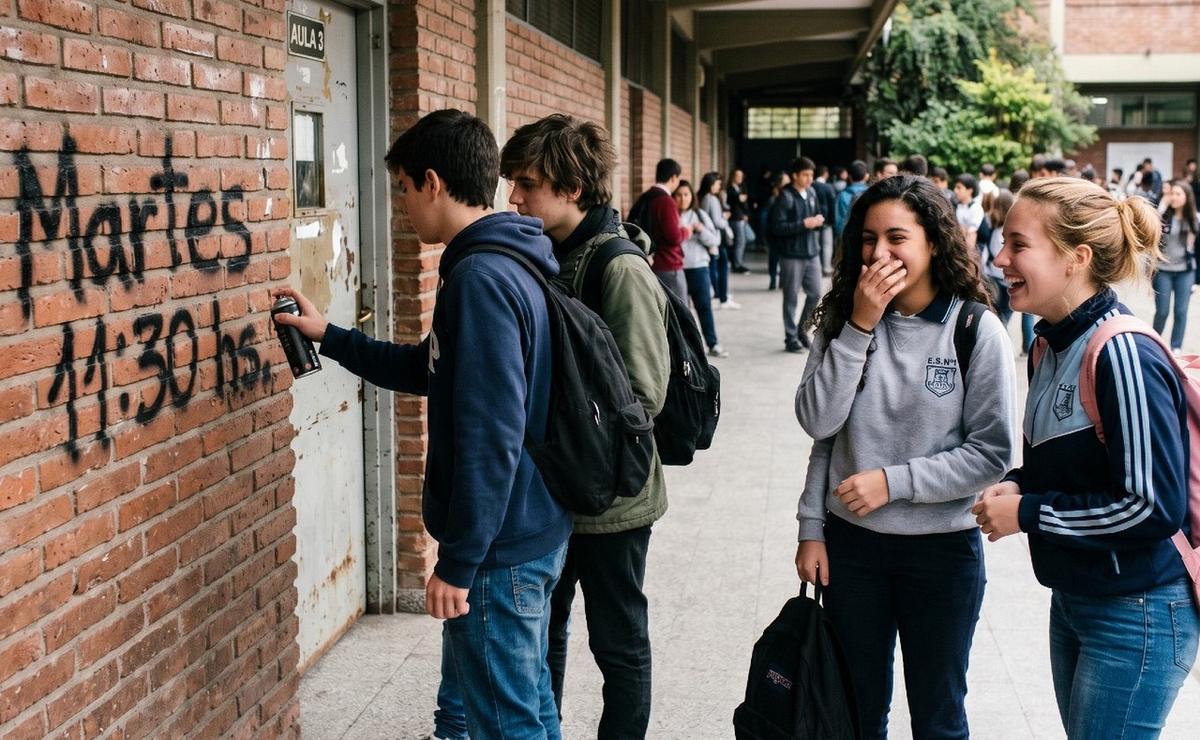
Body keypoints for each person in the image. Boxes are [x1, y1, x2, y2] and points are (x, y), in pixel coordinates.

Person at [274, 109, 572, 740]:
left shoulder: (481, 279)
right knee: (531, 705)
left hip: (500, 546)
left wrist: (459, 562)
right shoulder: (504, 260)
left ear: (432, 182)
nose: (403, 206)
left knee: (506, 720)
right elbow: (430, 369)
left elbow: (492, 435)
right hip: (530, 526)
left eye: (404, 189)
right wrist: (327, 334)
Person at [973, 176, 1198, 738]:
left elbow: (1152, 507)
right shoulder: (1048, 343)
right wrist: (1021, 484)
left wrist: (1028, 514)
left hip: (1139, 610)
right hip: (1078, 597)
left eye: (1018, 245)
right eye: (1003, 243)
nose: (1000, 259)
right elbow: (1074, 463)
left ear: (1077, 258)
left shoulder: (1121, 352)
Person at [795, 175, 1016, 739]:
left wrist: (894, 482)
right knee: (858, 712)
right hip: (853, 547)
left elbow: (993, 452)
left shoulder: (974, 329)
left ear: (934, 242)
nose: (879, 254)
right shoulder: (843, 319)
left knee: (938, 716)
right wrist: (811, 529)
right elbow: (821, 426)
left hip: (942, 553)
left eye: (897, 238)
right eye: (868, 239)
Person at [500, 113, 671, 739]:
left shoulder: (618, 268)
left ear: (573, 187)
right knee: (546, 630)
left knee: (618, 642)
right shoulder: (544, 256)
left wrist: (556, 413)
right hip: (557, 492)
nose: (514, 197)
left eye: (528, 183)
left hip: (613, 500)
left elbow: (644, 394)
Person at [770, 157, 825, 352]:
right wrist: (803, 224)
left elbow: (818, 213)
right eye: (805, 175)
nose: (810, 178)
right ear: (795, 175)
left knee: (816, 293)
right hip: (792, 255)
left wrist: (818, 220)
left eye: (811, 174)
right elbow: (777, 227)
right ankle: (790, 337)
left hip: (812, 253)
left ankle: (803, 330)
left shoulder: (811, 192)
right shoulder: (785, 197)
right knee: (791, 297)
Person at [675, 180, 727, 356]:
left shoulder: (700, 214)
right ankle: (687, 349)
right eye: (679, 195)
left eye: (686, 194)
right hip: (677, 269)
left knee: (704, 306)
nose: (683, 199)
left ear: (692, 196)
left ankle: (713, 343)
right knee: (681, 311)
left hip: (698, 267)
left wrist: (700, 230)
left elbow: (715, 240)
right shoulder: (671, 215)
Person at [628, 158, 690, 302]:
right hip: (668, 264)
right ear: (674, 177)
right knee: (680, 316)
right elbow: (674, 237)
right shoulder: (666, 201)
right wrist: (687, 230)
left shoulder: (645, 197)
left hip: (650, 262)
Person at [1152, 179, 1198, 353]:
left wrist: (1197, 279)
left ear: (1187, 197)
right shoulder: (1164, 215)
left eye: (1178, 194)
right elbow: (1152, 227)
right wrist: (1162, 205)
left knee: (1181, 311)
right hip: (1164, 270)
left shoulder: (1194, 218)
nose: (1174, 197)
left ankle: (1175, 347)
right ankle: (1155, 342)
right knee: (1162, 311)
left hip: (1185, 271)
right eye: (1172, 193)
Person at [699, 171, 739, 310]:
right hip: (716, 237)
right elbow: (717, 221)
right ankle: (723, 298)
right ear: (711, 184)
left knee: (715, 267)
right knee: (722, 267)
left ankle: (720, 295)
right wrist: (725, 220)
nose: (719, 186)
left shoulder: (703, 197)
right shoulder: (712, 199)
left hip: (709, 237)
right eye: (718, 184)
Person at [980, 189, 1016, 327]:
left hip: (995, 278)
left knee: (1000, 318)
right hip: (1006, 279)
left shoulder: (996, 229)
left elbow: (991, 254)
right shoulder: (1008, 230)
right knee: (1004, 317)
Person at [765, 171, 790, 290]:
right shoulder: (773, 198)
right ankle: (773, 279)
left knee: (783, 258)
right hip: (774, 233)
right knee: (774, 257)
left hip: (785, 233)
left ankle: (782, 280)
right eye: (786, 180)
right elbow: (767, 219)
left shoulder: (788, 196)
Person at [834, 160, 869, 241]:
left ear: (849, 176)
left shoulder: (842, 195)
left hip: (847, 238)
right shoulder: (871, 193)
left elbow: (839, 220)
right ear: (866, 176)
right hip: (866, 238)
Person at [813, 165, 838, 276]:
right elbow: (832, 205)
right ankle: (826, 268)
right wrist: (833, 220)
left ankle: (816, 267)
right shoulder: (828, 187)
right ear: (825, 174)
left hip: (813, 220)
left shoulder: (811, 186)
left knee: (815, 245)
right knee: (827, 245)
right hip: (826, 219)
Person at [727, 167, 753, 273]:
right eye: (737, 176)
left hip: (741, 217)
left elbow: (744, 203)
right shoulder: (730, 189)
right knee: (739, 241)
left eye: (741, 176)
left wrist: (746, 214)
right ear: (733, 176)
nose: (740, 178)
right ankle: (737, 264)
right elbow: (732, 202)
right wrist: (738, 198)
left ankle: (736, 261)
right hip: (735, 218)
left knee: (747, 238)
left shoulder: (740, 188)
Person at [953, 174, 985, 253]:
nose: (955, 190)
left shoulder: (976, 208)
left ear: (969, 190)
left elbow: (971, 235)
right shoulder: (957, 206)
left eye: (959, 187)